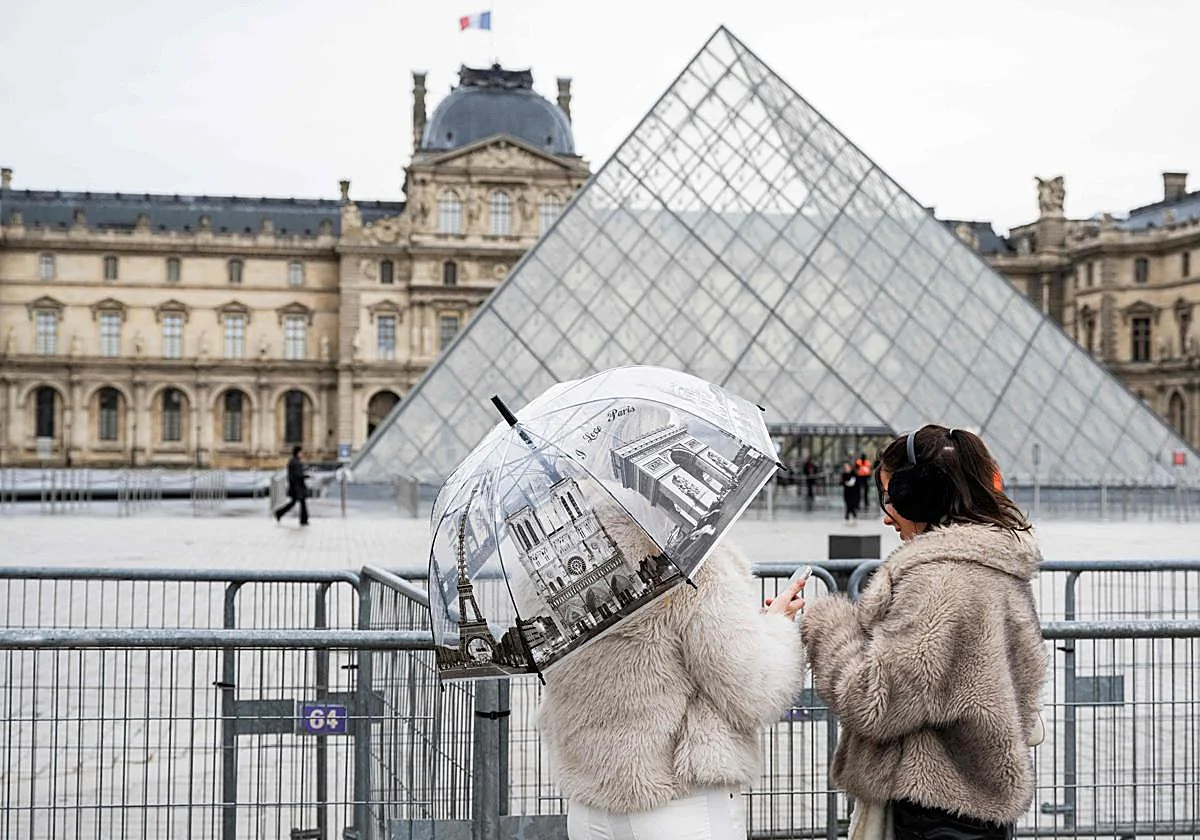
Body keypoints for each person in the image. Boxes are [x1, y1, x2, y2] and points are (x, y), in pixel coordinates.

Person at [801, 425, 1045, 840]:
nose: (885, 513)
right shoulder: (993, 565)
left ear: (920, 494)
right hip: (975, 805)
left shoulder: (939, 581)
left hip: (932, 810)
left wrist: (825, 622)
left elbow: (874, 703)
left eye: (889, 496)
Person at [535, 502, 808, 840]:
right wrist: (778, 626)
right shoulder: (686, 556)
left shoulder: (549, 563)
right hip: (678, 803)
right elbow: (754, 689)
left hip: (590, 808)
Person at [274, 445, 309, 526]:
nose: (302, 454)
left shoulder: (294, 461)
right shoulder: (295, 462)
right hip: (297, 486)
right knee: (297, 503)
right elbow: (298, 475)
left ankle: (280, 513)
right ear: (298, 453)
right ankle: (303, 520)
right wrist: (307, 476)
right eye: (301, 452)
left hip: (296, 486)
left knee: (297, 502)